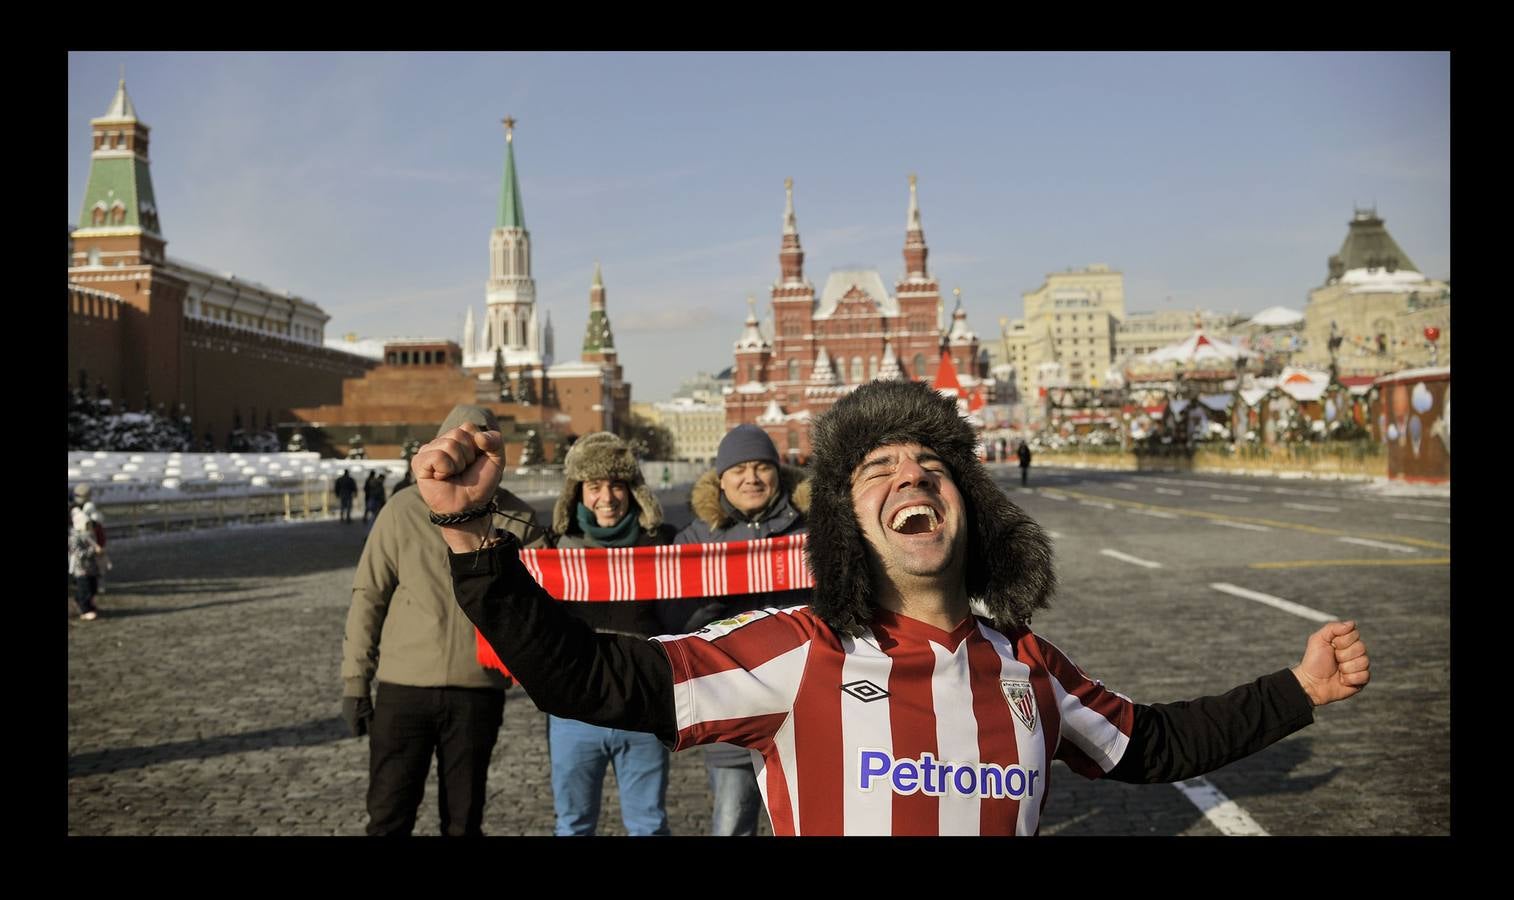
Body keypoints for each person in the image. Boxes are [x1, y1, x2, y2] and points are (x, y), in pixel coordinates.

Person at [415, 380, 1371, 836]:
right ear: (847, 523)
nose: (912, 476)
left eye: (931, 464)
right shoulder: (794, 650)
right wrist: (471, 542)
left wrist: (1299, 689)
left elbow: (1155, 744)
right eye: (878, 469)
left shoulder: (1025, 664)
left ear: (968, 502)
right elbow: (589, 677)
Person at [341, 404, 550, 837]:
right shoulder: (402, 510)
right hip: (404, 691)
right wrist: (355, 682)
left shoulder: (519, 519)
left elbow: (545, 605)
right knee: (388, 816)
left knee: (463, 821)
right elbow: (369, 597)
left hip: (478, 691)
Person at [661, 424, 809, 836]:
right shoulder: (694, 539)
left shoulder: (811, 529)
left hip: (807, 705)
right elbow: (673, 623)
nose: (752, 478)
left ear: (778, 472)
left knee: (814, 822)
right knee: (731, 826)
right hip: (732, 709)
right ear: (721, 479)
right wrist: (710, 600)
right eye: (739, 469)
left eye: (762, 466)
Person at [545, 432, 677, 836]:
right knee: (573, 826)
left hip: (642, 709)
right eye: (595, 486)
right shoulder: (553, 549)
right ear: (576, 493)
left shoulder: (662, 546)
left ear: (633, 490)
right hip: (574, 713)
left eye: (617, 485)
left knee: (648, 826)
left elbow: (683, 622)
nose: (607, 497)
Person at [68, 505, 103, 621]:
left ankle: (89, 605)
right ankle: (85, 610)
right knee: (85, 590)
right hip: (81, 569)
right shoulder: (74, 538)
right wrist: (93, 550)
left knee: (93, 588)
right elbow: (79, 554)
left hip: (91, 568)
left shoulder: (89, 536)